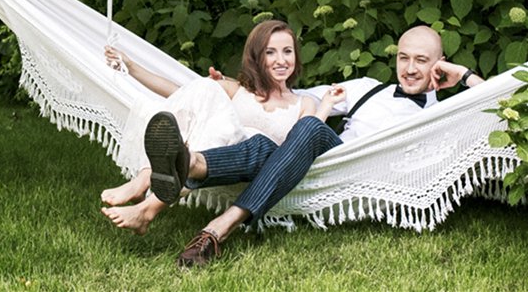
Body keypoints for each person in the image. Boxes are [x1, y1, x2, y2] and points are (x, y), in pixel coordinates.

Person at [143, 24, 484, 267]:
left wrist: (465, 76)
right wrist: (228, 88)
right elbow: (286, 99)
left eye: (421, 61)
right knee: (269, 142)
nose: (409, 69)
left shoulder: (444, 114)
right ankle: (190, 165)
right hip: (325, 161)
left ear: (439, 63)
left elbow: (504, 107)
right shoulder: (368, 86)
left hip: (362, 174)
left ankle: (218, 222)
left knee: (304, 128)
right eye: (404, 58)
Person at [100, 19, 345, 234]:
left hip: (256, 163)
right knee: (205, 87)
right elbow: (180, 94)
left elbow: (304, 142)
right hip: (215, 158)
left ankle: (147, 204)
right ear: (257, 57)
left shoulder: (303, 103)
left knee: (251, 135)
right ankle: (146, 178)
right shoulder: (237, 89)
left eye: (288, 52)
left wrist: (326, 104)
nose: (281, 60)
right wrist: (130, 67)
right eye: (271, 52)